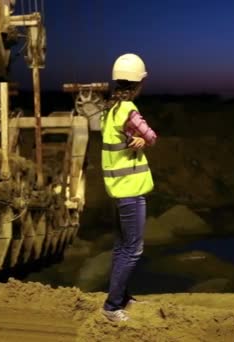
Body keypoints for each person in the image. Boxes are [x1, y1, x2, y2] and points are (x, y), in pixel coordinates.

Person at [100, 53, 157, 322]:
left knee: (121, 246)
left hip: (117, 188)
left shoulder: (109, 110)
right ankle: (112, 307)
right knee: (133, 249)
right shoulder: (129, 111)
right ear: (137, 84)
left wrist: (136, 141)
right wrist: (143, 140)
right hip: (131, 190)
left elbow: (121, 142)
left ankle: (120, 297)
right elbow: (152, 136)